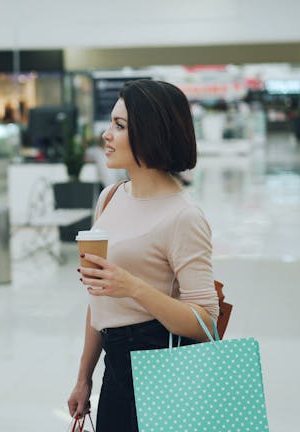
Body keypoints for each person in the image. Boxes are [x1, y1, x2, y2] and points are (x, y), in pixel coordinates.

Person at [67, 79, 219, 431]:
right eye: (111, 123)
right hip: (115, 366)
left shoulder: (184, 216)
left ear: (150, 133)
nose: (107, 134)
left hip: (162, 365)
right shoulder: (110, 196)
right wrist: (83, 376)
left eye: (120, 126)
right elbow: (99, 300)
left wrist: (132, 286)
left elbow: (206, 323)